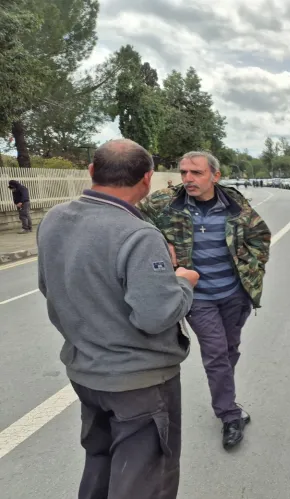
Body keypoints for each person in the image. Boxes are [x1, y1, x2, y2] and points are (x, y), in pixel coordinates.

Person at [36, 139, 199, 499]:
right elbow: (156, 316)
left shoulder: (54, 219)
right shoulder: (138, 234)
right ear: (147, 179)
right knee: (145, 481)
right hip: (139, 384)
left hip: (86, 373)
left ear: (92, 171)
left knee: (100, 464)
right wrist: (183, 283)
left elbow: (50, 287)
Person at [139, 151, 271, 450]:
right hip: (198, 298)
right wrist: (162, 244)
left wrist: (252, 268)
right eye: (184, 172)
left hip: (235, 294)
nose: (188, 178)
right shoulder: (165, 203)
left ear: (215, 175)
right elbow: (133, 221)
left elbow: (260, 236)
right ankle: (229, 414)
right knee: (216, 353)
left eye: (196, 173)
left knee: (229, 349)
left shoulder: (234, 203)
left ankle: (226, 393)